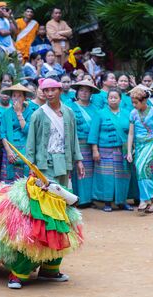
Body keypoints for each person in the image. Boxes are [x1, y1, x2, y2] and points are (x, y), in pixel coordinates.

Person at [26, 78, 84, 186]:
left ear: (60, 91)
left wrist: (79, 160)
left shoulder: (69, 113)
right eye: (46, 90)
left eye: (53, 90)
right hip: (45, 162)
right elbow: (31, 142)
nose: (50, 93)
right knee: (49, 195)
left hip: (64, 160)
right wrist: (31, 165)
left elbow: (74, 138)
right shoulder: (38, 115)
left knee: (63, 194)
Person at [88, 88, 132, 212]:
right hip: (104, 150)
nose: (113, 100)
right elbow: (93, 133)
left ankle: (122, 201)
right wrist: (95, 150)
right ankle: (107, 202)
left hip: (122, 150)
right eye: (110, 97)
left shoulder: (127, 113)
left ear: (120, 99)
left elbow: (131, 132)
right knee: (106, 177)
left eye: (115, 97)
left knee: (122, 176)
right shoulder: (100, 113)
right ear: (107, 99)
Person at [127, 86, 153, 215]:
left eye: (136, 102)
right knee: (143, 171)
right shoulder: (133, 113)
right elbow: (131, 133)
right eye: (132, 102)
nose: (133, 105)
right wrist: (128, 151)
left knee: (141, 167)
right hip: (139, 146)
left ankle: (144, 199)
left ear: (144, 101)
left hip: (151, 144)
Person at [65, 79, 98, 207]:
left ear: (91, 94)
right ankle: (79, 198)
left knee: (91, 171)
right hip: (76, 142)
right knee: (78, 170)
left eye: (87, 91)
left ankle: (90, 198)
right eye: (81, 90)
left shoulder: (95, 108)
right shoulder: (70, 107)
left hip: (92, 143)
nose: (84, 93)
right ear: (77, 92)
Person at [0, 84, 35, 183]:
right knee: (9, 183)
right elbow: (3, 134)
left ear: (24, 98)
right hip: (10, 149)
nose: (16, 98)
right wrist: (8, 151)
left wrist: (19, 113)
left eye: (19, 96)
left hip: (26, 149)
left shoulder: (30, 113)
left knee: (25, 182)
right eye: (14, 96)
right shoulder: (6, 113)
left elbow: (28, 131)